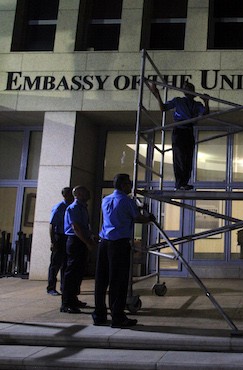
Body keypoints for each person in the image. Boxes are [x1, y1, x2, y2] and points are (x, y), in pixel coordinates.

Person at [92, 174, 153, 327]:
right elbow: (138, 218)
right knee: (118, 281)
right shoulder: (127, 201)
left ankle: (99, 315)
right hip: (118, 244)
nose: (130, 186)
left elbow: (118, 214)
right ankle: (117, 317)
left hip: (104, 242)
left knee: (101, 280)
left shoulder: (106, 199)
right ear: (123, 185)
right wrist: (149, 217)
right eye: (129, 184)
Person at [148, 81, 210, 191]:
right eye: (185, 88)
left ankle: (184, 182)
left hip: (189, 130)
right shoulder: (178, 101)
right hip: (179, 130)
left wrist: (206, 102)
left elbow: (205, 113)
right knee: (179, 157)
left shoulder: (196, 104)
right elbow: (163, 108)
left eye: (189, 88)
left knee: (188, 157)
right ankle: (179, 183)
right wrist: (157, 94)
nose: (187, 91)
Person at [61, 185, 97, 314]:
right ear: (79, 194)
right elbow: (76, 228)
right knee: (71, 273)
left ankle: (73, 298)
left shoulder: (83, 208)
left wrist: (91, 236)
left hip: (81, 241)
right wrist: (87, 242)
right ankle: (66, 303)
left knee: (79, 272)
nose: (89, 194)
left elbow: (85, 226)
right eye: (86, 192)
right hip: (75, 241)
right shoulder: (74, 208)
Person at [47, 187, 73, 296]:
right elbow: (52, 225)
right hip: (59, 237)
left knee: (66, 264)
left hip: (67, 236)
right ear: (66, 196)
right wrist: (53, 241)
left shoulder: (71, 207)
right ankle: (51, 287)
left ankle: (64, 287)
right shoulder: (59, 208)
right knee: (55, 264)